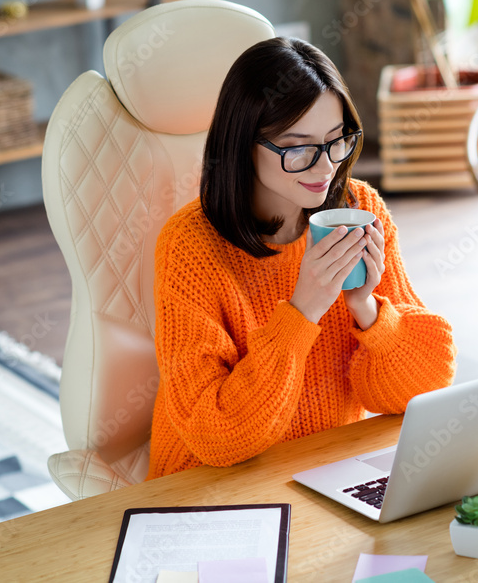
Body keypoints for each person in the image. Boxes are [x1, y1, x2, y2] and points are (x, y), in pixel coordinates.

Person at [145, 37, 457, 479]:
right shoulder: (189, 247)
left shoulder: (359, 209)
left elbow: (422, 388)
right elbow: (215, 435)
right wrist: (303, 309)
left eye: (337, 141)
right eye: (299, 149)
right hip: (212, 487)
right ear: (243, 143)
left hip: (325, 471)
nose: (325, 167)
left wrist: (367, 310)